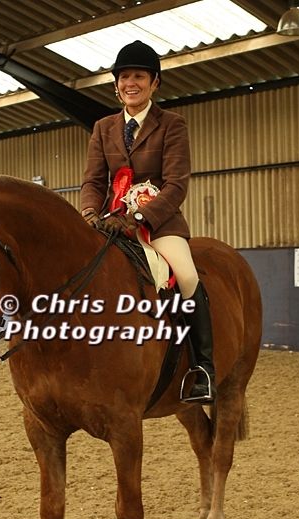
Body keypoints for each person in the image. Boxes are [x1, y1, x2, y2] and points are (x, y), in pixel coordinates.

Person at [80, 40, 216, 403]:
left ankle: (203, 368)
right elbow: (93, 181)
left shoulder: (172, 124)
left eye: (139, 76)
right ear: (116, 85)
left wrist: (138, 216)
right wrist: (90, 214)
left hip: (159, 224)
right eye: (124, 77)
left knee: (186, 276)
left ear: (154, 82)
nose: (131, 83)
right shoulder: (103, 128)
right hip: (111, 223)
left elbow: (176, 184)